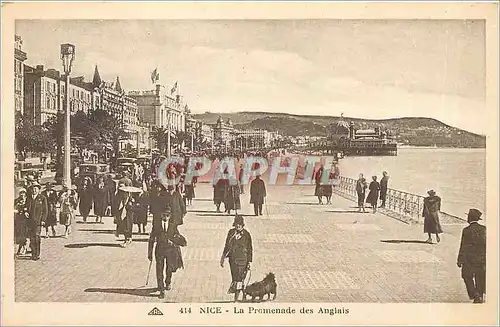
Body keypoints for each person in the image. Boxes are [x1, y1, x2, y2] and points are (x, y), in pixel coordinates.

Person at [148, 215, 185, 299]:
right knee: (159, 269)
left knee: (169, 268)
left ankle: (168, 281)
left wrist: (175, 241)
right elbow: (151, 239)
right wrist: (149, 253)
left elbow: (177, 236)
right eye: (164, 215)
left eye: (167, 215)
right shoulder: (156, 225)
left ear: (170, 216)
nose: (165, 217)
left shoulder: (173, 225)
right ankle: (161, 289)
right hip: (160, 250)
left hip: (170, 250)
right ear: (161, 216)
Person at [220, 215, 253, 302]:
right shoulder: (231, 233)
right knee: (235, 278)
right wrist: (223, 258)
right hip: (233, 260)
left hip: (243, 260)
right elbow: (227, 246)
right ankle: (243, 293)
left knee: (239, 278)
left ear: (243, 225)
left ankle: (236, 299)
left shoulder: (246, 235)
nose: (238, 226)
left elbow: (250, 248)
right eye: (236, 224)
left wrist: (249, 261)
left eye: (239, 224)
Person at [457, 208, 486, 303]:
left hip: (468, 259)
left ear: (470, 218)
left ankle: (475, 294)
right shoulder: (484, 229)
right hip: (481, 258)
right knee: (480, 277)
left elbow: (463, 245)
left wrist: (460, 259)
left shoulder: (466, 230)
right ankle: (480, 296)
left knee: (466, 276)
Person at [26, 182, 48, 261]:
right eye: (33, 189)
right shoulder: (29, 198)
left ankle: (37, 254)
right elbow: (26, 207)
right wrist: (26, 212)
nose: (34, 190)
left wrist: (43, 220)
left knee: (37, 237)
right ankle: (33, 253)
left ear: (38, 190)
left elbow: (45, 210)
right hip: (30, 221)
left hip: (38, 221)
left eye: (36, 189)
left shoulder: (42, 198)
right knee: (32, 238)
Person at [14, 188, 30, 255]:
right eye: (21, 193)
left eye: (23, 193)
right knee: (19, 234)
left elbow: (29, 209)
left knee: (25, 234)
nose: (22, 194)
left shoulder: (28, 200)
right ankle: (20, 248)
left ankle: (24, 248)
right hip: (18, 219)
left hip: (25, 220)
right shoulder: (16, 200)